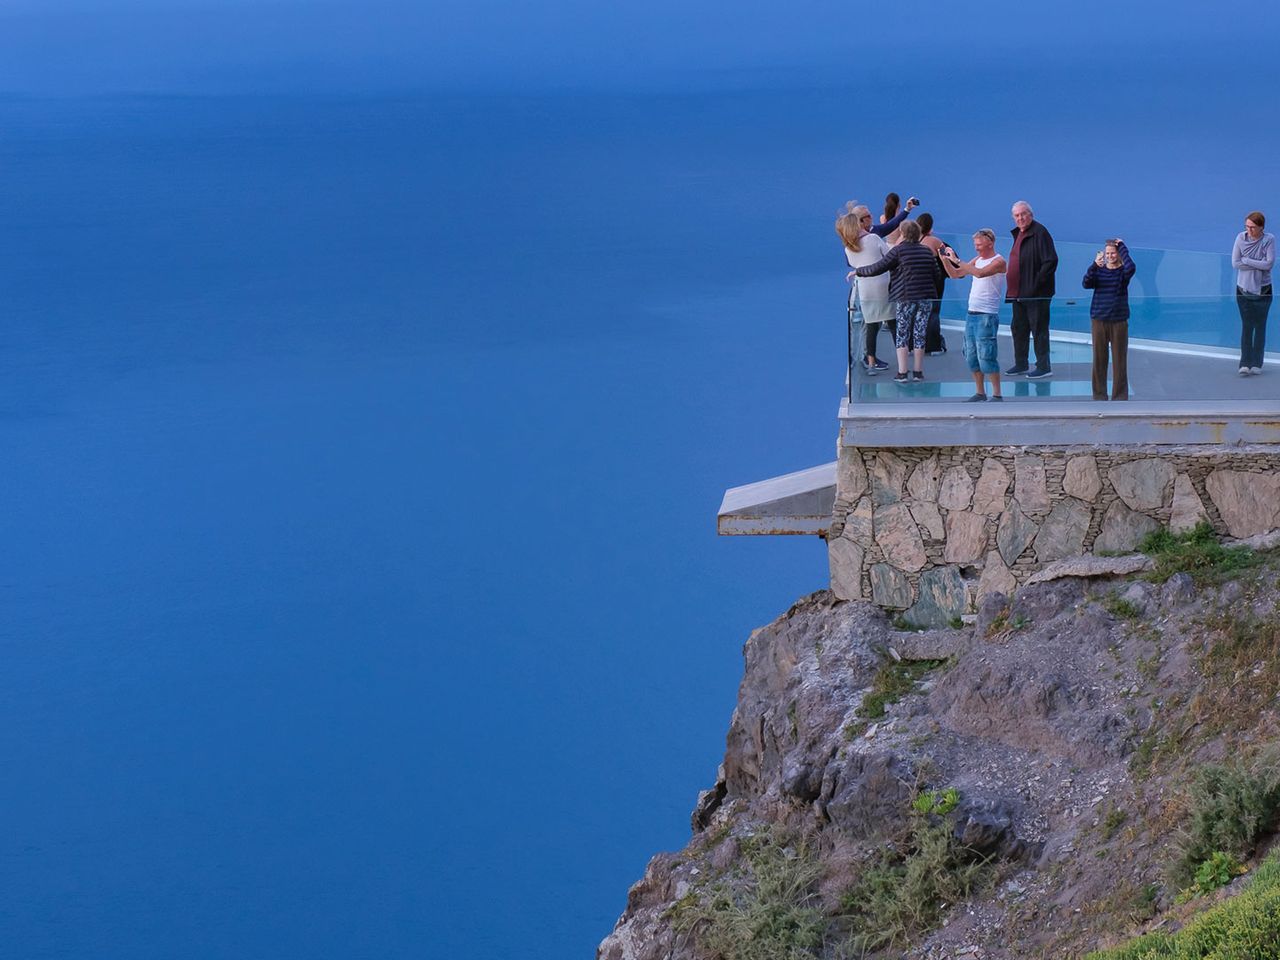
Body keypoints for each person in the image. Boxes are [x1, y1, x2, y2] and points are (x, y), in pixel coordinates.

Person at [852, 219, 940, 383]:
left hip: (904, 297)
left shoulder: (898, 251)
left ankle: (902, 373)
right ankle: (918, 372)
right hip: (926, 298)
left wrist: (859, 271)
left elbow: (878, 267)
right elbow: (936, 275)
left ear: (903, 234)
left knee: (902, 333)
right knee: (919, 333)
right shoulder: (927, 251)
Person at [941, 229, 1006, 401]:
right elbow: (956, 274)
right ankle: (980, 392)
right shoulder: (976, 260)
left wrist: (957, 260)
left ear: (990, 243)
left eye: (979, 244)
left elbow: (979, 273)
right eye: (975, 244)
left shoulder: (999, 261)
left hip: (987, 315)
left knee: (987, 354)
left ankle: (997, 394)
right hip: (972, 314)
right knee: (971, 354)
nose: (976, 248)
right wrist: (945, 260)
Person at [836, 204, 895, 373]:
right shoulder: (873, 239)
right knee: (893, 322)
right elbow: (889, 257)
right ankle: (905, 363)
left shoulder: (848, 249)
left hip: (865, 289)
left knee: (871, 324)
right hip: (883, 285)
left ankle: (871, 363)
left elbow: (854, 264)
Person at [1006, 201, 1058, 379]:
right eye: (1016, 215)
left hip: (1036, 295)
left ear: (1031, 215)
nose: (1020, 218)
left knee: (1039, 329)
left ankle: (1043, 366)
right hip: (1018, 293)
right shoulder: (1019, 233)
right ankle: (1021, 364)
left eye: (1023, 214)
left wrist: (1035, 285)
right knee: (1018, 328)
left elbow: (1050, 261)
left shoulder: (1040, 233)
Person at [1082, 239, 1137, 400]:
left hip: (1119, 321)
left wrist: (1122, 246)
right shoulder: (1098, 270)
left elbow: (1131, 266)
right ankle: (1099, 395)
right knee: (1099, 359)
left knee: (1120, 359)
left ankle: (1119, 396)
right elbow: (1086, 283)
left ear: (1118, 254)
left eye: (1113, 253)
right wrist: (1094, 266)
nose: (1110, 256)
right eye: (1107, 253)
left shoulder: (1123, 273)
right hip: (1099, 320)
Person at [1232, 211, 1274, 375]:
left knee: (1260, 325)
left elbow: (1269, 264)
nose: (1249, 230)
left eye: (1253, 227)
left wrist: (1247, 260)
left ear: (1261, 227)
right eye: (1247, 227)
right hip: (1243, 290)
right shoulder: (1240, 238)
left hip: (1264, 290)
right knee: (1247, 326)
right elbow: (1235, 263)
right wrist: (1259, 263)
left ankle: (1257, 363)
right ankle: (1245, 363)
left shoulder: (1269, 239)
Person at [916, 212, 948, 355]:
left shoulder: (906, 240)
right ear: (930, 227)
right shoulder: (935, 241)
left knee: (917, 313)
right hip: (934, 282)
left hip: (915, 282)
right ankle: (934, 346)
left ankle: (916, 345)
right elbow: (949, 256)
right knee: (933, 312)